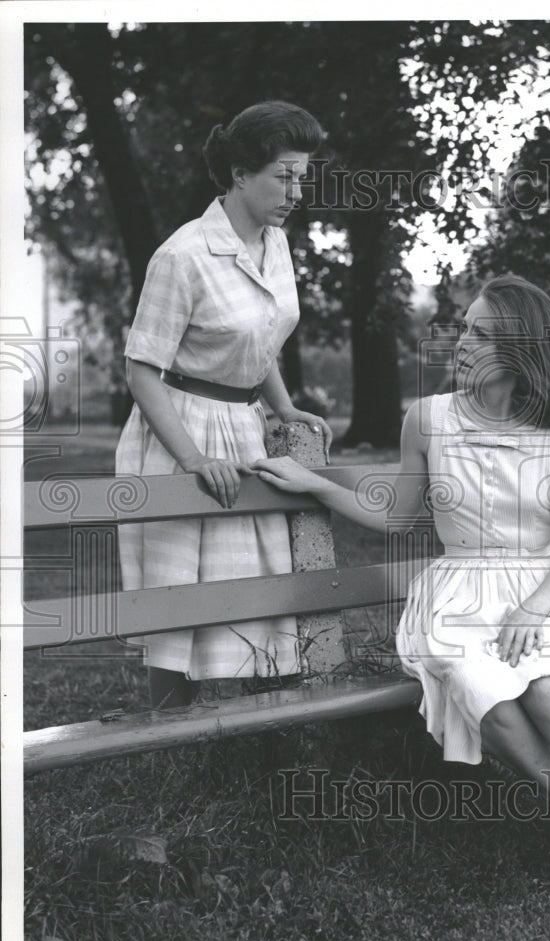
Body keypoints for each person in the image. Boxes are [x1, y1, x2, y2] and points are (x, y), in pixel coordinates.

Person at [253, 274, 550, 913]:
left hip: (543, 588)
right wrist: (312, 483)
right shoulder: (427, 419)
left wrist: (535, 609)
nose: (463, 342)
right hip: (456, 598)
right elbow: (397, 517)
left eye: (483, 333)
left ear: (520, 349)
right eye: (465, 327)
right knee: (493, 703)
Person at [116, 101, 332, 709]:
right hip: (178, 429)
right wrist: (190, 459)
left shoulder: (277, 243)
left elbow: (259, 342)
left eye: (302, 177)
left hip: (244, 429)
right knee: (178, 594)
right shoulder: (182, 255)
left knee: (250, 582)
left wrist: (284, 410)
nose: (296, 190)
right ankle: (171, 739)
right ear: (240, 173)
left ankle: (250, 736)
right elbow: (141, 370)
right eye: (283, 176)